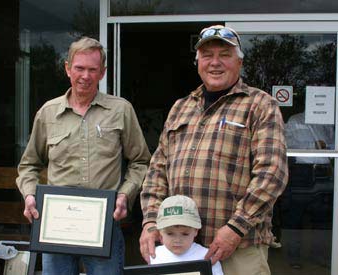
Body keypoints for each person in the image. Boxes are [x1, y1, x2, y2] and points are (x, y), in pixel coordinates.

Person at [139, 25, 288, 275]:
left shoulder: (260, 105)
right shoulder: (181, 107)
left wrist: (236, 228)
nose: (215, 63)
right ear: (198, 62)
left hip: (238, 248)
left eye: (225, 55)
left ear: (239, 62)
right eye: (207, 55)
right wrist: (151, 220)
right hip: (181, 248)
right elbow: (157, 171)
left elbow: (272, 174)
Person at [16, 36, 151, 275]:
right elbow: (29, 164)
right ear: (68, 68)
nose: (85, 76)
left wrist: (124, 195)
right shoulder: (48, 113)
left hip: (104, 226)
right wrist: (29, 195)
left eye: (92, 69)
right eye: (79, 68)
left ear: (103, 72)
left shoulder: (121, 110)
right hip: (55, 228)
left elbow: (140, 161)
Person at [282, 111, 334, 268]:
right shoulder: (295, 120)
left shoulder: (325, 120)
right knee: (295, 215)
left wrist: (327, 146)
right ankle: (294, 256)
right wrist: (313, 145)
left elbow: (332, 142)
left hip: (323, 171)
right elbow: (288, 144)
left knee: (322, 217)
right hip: (302, 171)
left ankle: (319, 255)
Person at [150, 195, 223, 275]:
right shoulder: (155, 255)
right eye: (170, 233)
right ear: (160, 231)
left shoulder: (206, 257)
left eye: (185, 234)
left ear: (196, 231)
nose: (177, 240)